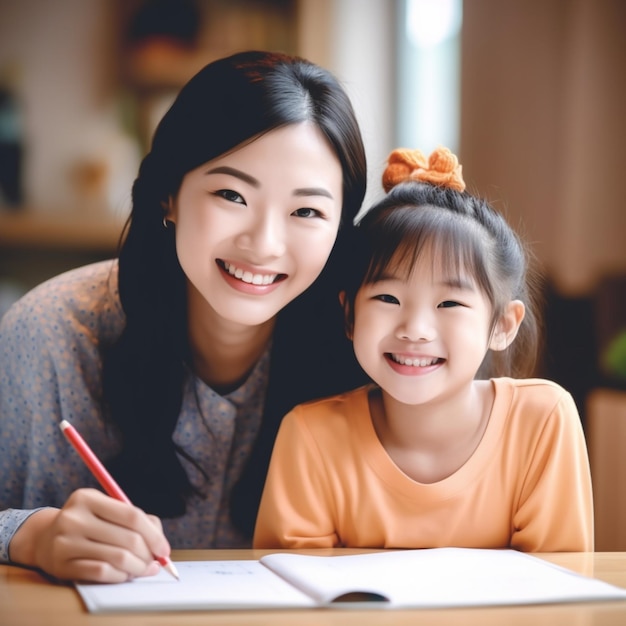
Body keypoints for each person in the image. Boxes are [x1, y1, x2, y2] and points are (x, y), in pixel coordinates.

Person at [0, 50, 369, 582]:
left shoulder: (362, 349)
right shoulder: (48, 335)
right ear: (168, 196)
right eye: (231, 194)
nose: (264, 244)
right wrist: (31, 535)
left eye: (306, 211)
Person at [254, 146, 594, 552]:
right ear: (349, 316)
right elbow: (293, 595)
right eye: (387, 299)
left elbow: (556, 591)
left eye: (449, 304)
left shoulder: (541, 422)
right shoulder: (311, 435)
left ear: (502, 325)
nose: (414, 330)